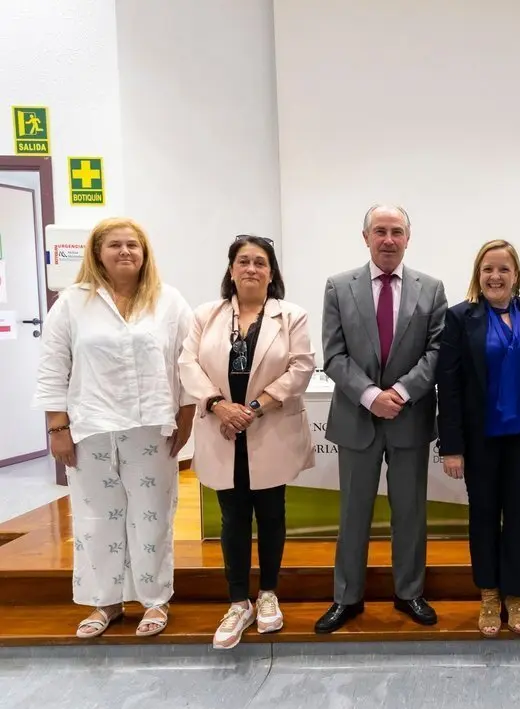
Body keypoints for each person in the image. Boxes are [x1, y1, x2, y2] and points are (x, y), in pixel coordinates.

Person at [34, 217, 194, 639]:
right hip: (91, 428)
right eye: (115, 245)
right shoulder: (72, 303)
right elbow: (53, 366)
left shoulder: (169, 301)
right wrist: (57, 427)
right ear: (97, 253)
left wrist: (186, 416)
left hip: (152, 427)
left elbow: (187, 362)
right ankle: (104, 601)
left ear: (144, 253)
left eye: (132, 245)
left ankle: (154, 600)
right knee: (96, 519)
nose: (125, 252)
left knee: (152, 517)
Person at [179, 235, 315, 649]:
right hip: (221, 428)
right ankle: (238, 602)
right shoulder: (206, 315)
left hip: (269, 427)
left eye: (260, 262)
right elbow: (188, 363)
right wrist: (219, 406)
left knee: (271, 514)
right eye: (244, 261)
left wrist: (252, 409)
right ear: (231, 269)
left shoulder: (291, 316)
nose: (251, 268)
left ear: (271, 273)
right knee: (232, 518)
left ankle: (269, 593)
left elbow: (301, 367)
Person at [315, 205, 448, 633]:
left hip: (410, 417)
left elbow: (437, 351)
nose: (388, 239)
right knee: (353, 513)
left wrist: (402, 393)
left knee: (410, 513)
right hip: (358, 417)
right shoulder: (338, 287)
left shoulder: (432, 289)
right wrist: (371, 396)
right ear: (365, 237)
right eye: (380, 231)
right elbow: (334, 354)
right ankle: (346, 597)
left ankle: (409, 592)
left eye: (396, 231)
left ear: (408, 238)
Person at [436, 240, 520, 636]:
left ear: (516, 274)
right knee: (484, 516)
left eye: (504, 268)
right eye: (488, 269)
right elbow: (449, 386)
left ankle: (515, 594)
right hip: (481, 438)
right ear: (478, 274)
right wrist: (452, 446)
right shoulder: (460, 317)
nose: (495, 276)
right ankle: (489, 594)